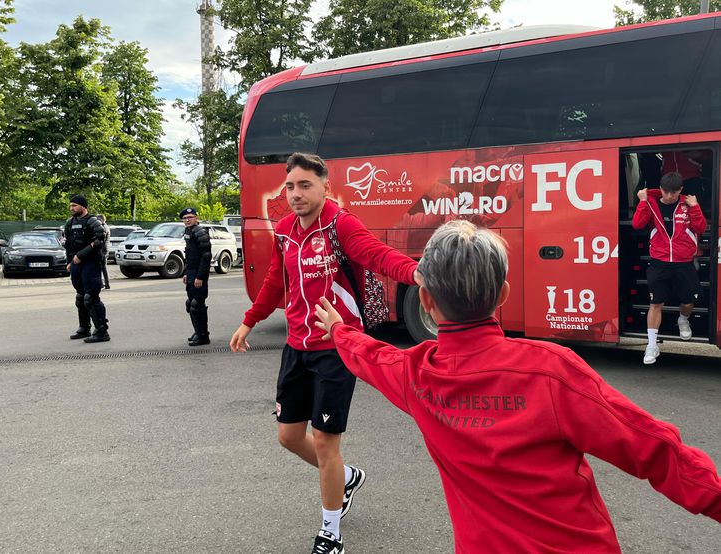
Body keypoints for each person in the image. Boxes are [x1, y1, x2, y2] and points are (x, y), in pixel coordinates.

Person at [314, 220, 721, 553]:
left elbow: (370, 356)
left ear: (425, 301)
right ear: (504, 294)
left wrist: (337, 329)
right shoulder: (550, 371)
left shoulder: (415, 374)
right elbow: (653, 449)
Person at [230, 152, 418, 554]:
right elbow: (273, 283)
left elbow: (376, 254)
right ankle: (346, 478)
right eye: (291, 186)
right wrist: (250, 320)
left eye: (305, 185)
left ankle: (331, 534)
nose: (296, 193)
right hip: (296, 347)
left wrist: (416, 274)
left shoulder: (340, 223)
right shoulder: (283, 231)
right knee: (288, 436)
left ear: (325, 187)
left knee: (326, 440)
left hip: (336, 346)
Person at [632, 171, 706, 364]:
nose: (669, 195)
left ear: (680, 189)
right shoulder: (651, 202)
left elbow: (701, 228)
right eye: (666, 191)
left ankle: (683, 319)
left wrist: (695, 207)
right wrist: (642, 201)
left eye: (674, 192)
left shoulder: (687, 204)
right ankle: (651, 345)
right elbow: (638, 224)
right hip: (659, 262)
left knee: (688, 301)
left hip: (684, 263)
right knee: (655, 304)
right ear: (661, 188)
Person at [64, 194, 110, 343]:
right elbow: (69, 244)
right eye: (71, 205)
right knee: (80, 297)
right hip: (76, 264)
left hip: (91, 263)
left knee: (91, 297)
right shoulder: (69, 223)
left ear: (83, 206)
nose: (71, 208)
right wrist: (70, 261)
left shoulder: (93, 221)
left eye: (74, 205)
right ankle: (84, 328)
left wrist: (81, 255)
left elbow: (99, 240)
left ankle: (102, 331)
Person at [181, 207, 212, 346]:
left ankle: (203, 336)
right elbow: (189, 256)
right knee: (190, 303)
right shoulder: (189, 232)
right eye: (185, 218)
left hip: (199, 274)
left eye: (190, 217)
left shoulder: (200, 233)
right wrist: (186, 273)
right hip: (192, 273)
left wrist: (200, 277)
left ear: (196, 218)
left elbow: (206, 257)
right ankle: (198, 331)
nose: (187, 220)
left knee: (196, 305)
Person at [96, 214, 110, 290]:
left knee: (102, 268)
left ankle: (104, 284)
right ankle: (105, 284)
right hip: (104, 249)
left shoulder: (104, 227)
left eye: (98, 219)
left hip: (103, 250)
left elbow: (102, 238)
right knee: (102, 267)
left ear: (101, 220)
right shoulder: (105, 226)